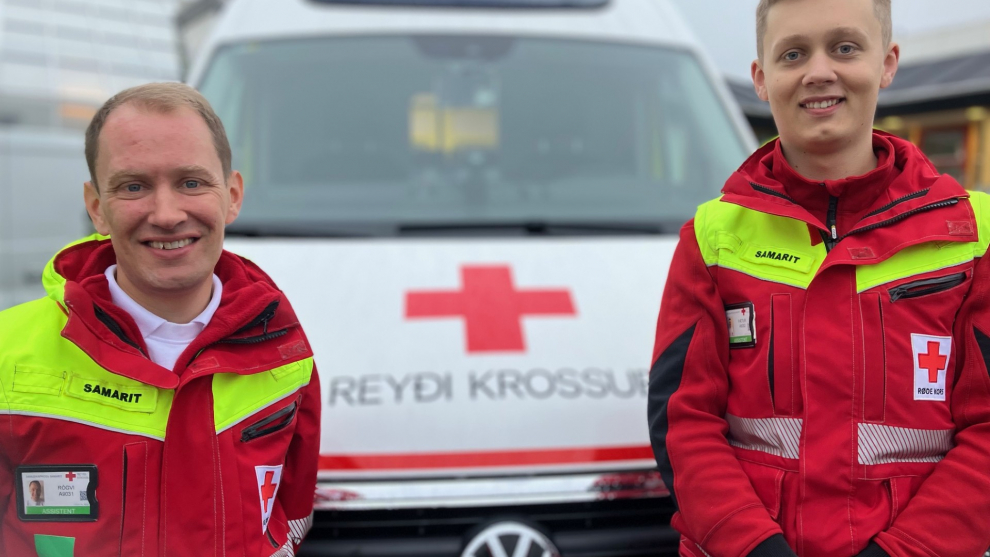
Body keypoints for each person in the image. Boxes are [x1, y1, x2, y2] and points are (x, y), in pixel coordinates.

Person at [647, 1, 990, 557]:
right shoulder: (711, 238)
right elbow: (684, 424)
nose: (819, 71)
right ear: (761, 77)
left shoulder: (974, 234)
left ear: (887, 62)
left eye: (845, 47)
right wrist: (753, 547)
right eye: (793, 54)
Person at [0, 83, 321, 556]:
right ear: (96, 207)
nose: (167, 215)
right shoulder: (8, 355)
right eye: (134, 186)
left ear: (232, 195)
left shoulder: (283, 351)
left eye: (191, 182)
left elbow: (289, 520)